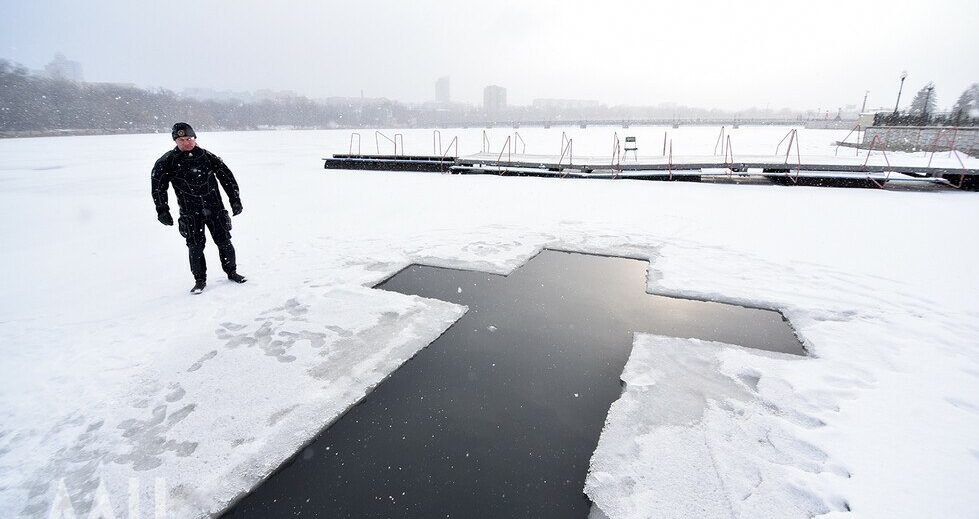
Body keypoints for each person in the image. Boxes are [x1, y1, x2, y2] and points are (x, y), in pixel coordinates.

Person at [152, 122, 247, 294]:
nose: (186, 143)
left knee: (224, 242)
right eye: (181, 140)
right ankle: (199, 280)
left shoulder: (207, 157)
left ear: (195, 138)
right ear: (175, 141)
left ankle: (232, 272)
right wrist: (162, 210)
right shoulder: (167, 161)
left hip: (216, 208)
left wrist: (235, 199)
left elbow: (227, 178)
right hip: (190, 213)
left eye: (189, 138)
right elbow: (158, 187)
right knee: (195, 247)